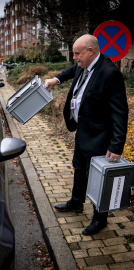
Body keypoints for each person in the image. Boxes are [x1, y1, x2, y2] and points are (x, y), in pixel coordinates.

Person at [44, 34, 128, 236]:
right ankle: (76, 202)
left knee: (98, 178)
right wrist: (57, 79)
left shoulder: (109, 73)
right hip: (82, 130)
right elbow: (73, 69)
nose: (74, 58)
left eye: (77, 53)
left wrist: (116, 146)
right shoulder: (84, 64)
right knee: (79, 167)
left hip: (100, 137)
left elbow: (120, 113)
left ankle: (100, 219)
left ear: (91, 51)